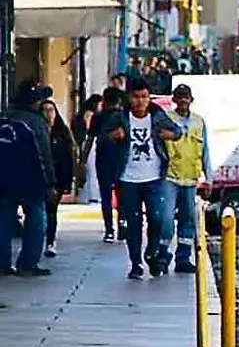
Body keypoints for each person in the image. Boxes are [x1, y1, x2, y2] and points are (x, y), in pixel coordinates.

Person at [99, 78, 185, 279]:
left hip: (154, 177)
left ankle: (152, 252)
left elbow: (178, 131)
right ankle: (136, 263)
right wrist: (114, 136)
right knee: (133, 222)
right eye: (136, 97)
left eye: (144, 97)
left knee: (157, 218)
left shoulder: (156, 115)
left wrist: (169, 135)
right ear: (129, 98)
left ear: (149, 98)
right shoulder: (120, 117)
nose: (140, 101)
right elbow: (102, 138)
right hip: (128, 179)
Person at [0, 81, 58, 277]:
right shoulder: (36, 123)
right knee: (36, 220)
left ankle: (2, 264)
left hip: (4, 180)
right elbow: (44, 155)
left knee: (4, 221)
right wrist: (50, 183)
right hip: (31, 181)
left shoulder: (6, 118)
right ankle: (28, 263)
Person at [160, 84, 211, 274]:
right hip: (169, 177)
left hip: (190, 179)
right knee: (165, 220)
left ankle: (183, 258)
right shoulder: (166, 120)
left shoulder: (199, 122)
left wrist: (209, 178)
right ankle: (162, 256)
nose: (183, 100)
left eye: (186, 97)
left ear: (191, 99)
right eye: (179, 97)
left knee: (187, 220)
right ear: (174, 99)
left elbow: (206, 152)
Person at [84, 87, 128, 242]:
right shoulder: (124, 117)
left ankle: (109, 230)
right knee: (122, 196)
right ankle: (122, 226)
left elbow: (90, 139)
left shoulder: (98, 117)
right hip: (122, 159)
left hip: (103, 159)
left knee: (106, 196)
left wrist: (83, 159)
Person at [39, 100, 79, 258]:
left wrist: (66, 184)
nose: (48, 114)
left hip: (56, 179)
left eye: (51, 110)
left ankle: (50, 241)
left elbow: (68, 159)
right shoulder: (37, 132)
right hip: (38, 178)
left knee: (51, 211)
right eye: (45, 110)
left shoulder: (62, 133)